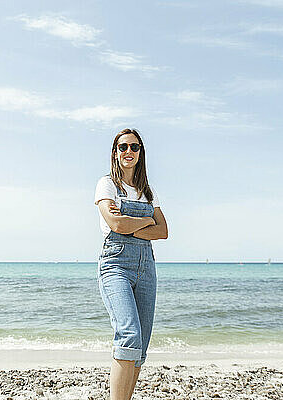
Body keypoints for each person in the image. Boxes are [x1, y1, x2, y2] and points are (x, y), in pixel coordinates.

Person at [94, 128, 168, 400]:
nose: (128, 152)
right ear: (115, 152)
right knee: (128, 336)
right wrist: (147, 221)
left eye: (134, 147)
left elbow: (163, 231)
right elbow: (115, 224)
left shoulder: (148, 192)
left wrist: (132, 224)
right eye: (122, 147)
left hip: (146, 267)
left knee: (141, 347)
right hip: (115, 265)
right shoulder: (107, 185)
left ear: (141, 152)